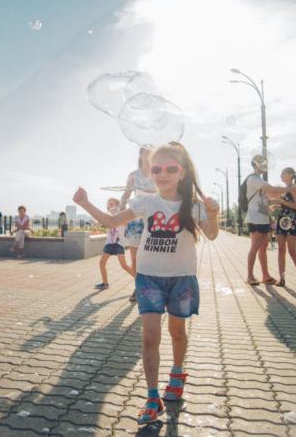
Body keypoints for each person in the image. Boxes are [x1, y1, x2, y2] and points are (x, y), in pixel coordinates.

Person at [73, 143, 219, 425]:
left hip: (182, 278)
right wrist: (85, 203)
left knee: (178, 331)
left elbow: (211, 235)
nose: (162, 174)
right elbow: (113, 220)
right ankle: (153, 397)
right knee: (150, 336)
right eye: (156, 169)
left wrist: (211, 215)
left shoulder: (194, 205)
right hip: (149, 277)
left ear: (182, 172)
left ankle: (177, 374)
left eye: (170, 168)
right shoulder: (146, 202)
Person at [245, 156, 292, 286]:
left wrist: (284, 191)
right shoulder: (253, 178)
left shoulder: (260, 180)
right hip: (255, 218)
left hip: (264, 218)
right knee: (255, 246)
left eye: (265, 163)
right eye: (261, 163)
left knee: (263, 246)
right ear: (255, 165)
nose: (264, 165)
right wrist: (289, 189)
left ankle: (265, 275)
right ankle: (250, 276)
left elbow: (273, 194)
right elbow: (271, 190)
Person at [121, 147, 156, 302]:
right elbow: (126, 194)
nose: (149, 155)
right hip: (136, 220)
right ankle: (138, 287)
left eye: (152, 152)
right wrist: (120, 210)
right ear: (141, 155)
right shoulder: (133, 176)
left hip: (153, 219)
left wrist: (152, 191)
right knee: (135, 259)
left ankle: (153, 287)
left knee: (151, 257)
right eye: (147, 152)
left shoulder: (158, 173)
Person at [273, 167, 296, 287]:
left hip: (291, 219)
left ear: (291, 175)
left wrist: (280, 202)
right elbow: (284, 205)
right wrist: (275, 206)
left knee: (292, 251)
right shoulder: (283, 189)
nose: (281, 175)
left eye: (283, 173)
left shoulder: (294, 187)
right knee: (281, 249)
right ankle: (281, 278)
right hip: (281, 219)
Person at [95, 198, 134, 290]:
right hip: (109, 243)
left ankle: (140, 280)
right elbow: (101, 221)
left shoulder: (122, 217)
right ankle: (105, 283)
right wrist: (97, 223)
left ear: (117, 206)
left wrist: (120, 211)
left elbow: (126, 222)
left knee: (124, 265)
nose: (109, 206)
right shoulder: (108, 217)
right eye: (108, 204)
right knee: (102, 262)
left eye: (111, 204)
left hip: (119, 244)